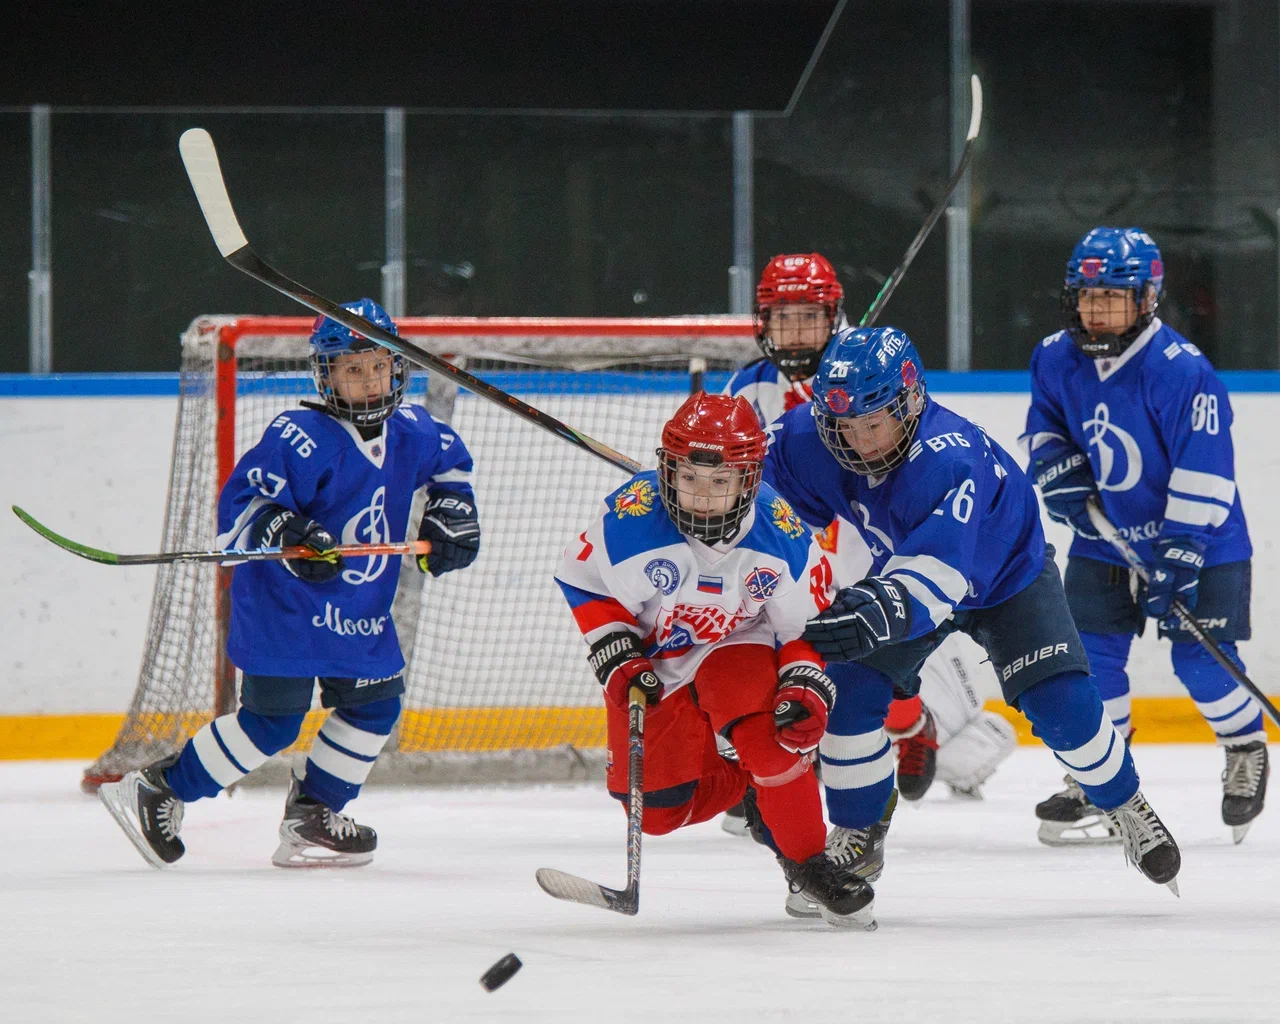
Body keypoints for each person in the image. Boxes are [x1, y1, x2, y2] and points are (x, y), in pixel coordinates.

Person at [764, 324, 1183, 893]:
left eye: (872, 423)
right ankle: (858, 834)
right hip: (905, 571)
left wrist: (874, 606)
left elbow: (939, 577)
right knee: (850, 696)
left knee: (1061, 707)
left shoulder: (946, 460)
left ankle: (1123, 800)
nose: (858, 441)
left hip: (1006, 578)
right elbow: (759, 512)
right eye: (844, 424)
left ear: (910, 402)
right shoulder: (806, 439)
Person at [99, 299, 482, 868]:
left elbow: (451, 461)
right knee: (271, 724)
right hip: (284, 605)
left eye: (378, 365)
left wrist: (452, 510)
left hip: (358, 607)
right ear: (325, 375)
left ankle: (313, 815)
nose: (369, 379)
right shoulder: (299, 435)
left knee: (376, 706)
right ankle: (159, 789)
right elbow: (243, 503)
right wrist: (285, 529)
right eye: (352, 369)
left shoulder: (414, 430)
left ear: (399, 366)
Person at [553, 392, 875, 928]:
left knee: (773, 746)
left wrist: (801, 686)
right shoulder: (631, 520)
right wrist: (614, 646)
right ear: (668, 471)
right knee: (656, 813)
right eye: (690, 479)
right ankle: (745, 783)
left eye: (720, 482)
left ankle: (810, 864)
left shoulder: (784, 537)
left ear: (748, 480)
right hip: (659, 660)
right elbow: (582, 581)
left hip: (740, 643)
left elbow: (805, 629)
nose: (702, 497)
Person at [723, 253, 1015, 817]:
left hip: (866, 540)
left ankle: (915, 724)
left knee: (877, 662)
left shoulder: (860, 364)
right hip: (794, 545)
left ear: (835, 315)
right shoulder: (748, 387)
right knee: (781, 647)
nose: (795, 331)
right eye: (783, 318)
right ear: (762, 321)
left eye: (809, 317)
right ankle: (776, 768)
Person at [1024, 226, 1267, 846]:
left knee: (1202, 665)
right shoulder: (1055, 356)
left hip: (1204, 539)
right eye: (1087, 295)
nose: (1096, 309)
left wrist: (1181, 553)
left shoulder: (1182, 371)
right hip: (1106, 540)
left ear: (1146, 297)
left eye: (1112, 296)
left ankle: (1244, 744)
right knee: (1088, 662)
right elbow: (1044, 428)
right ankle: (1104, 781)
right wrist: (1057, 469)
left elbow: (1206, 467)